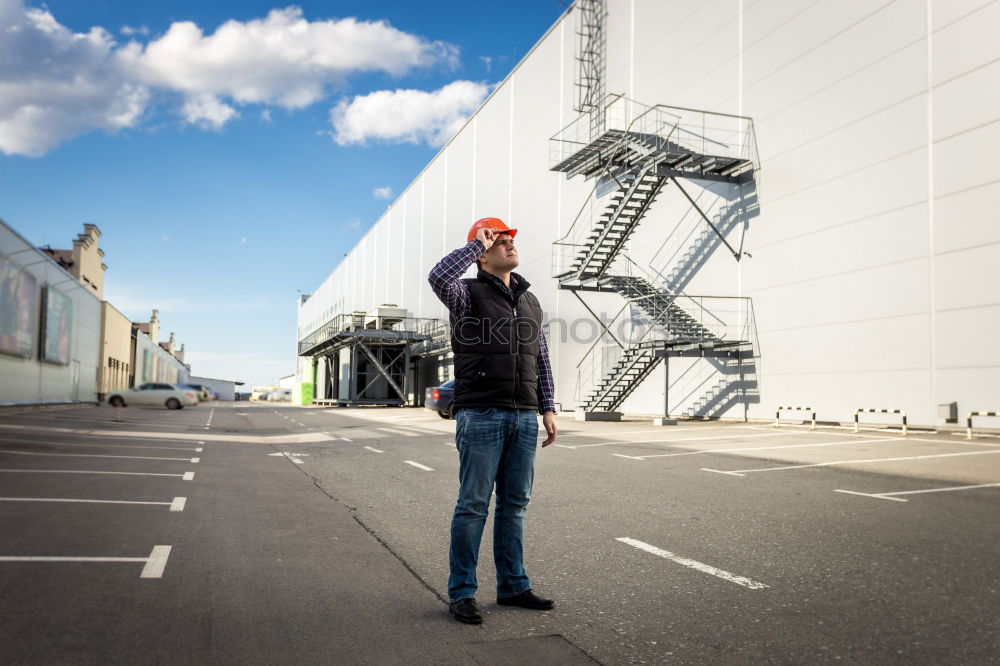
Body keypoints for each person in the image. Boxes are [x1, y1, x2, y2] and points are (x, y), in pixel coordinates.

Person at [428, 217, 558, 625]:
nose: (509, 244)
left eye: (510, 239)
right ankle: (462, 592)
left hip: (523, 415)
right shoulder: (465, 293)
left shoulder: (531, 301)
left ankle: (513, 586)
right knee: (473, 505)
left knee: (515, 505)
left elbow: (541, 358)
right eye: (499, 239)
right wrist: (474, 245)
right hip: (481, 413)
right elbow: (437, 275)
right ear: (482, 252)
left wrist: (548, 407)